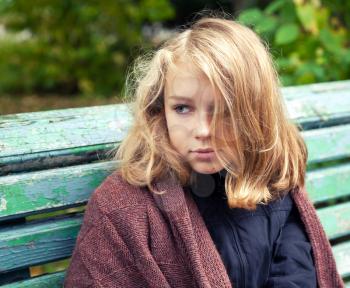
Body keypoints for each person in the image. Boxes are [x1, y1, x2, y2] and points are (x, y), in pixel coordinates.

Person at [64, 15, 344, 287]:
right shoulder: (123, 208)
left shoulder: (273, 188)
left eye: (224, 110)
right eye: (182, 108)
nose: (203, 130)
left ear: (255, 114)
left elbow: (297, 276)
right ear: (160, 111)